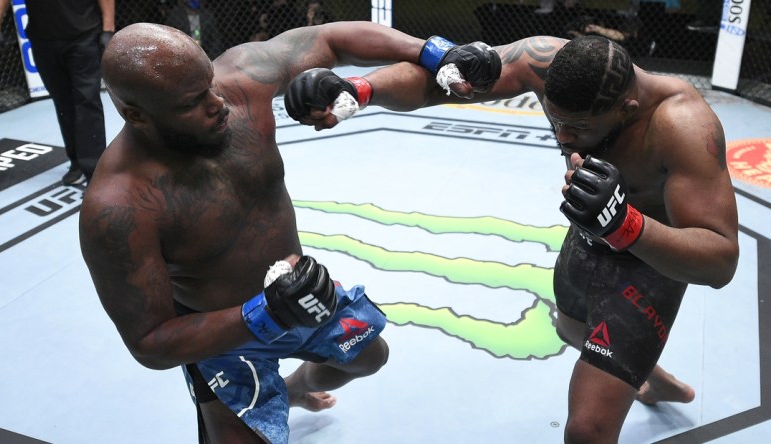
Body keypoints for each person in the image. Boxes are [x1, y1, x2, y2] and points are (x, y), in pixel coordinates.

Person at [287, 35, 739, 443]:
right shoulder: (544, 62)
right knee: (569, 327)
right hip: (588, 236)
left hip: (651, 262)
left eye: (577, 128)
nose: (562, 137)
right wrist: (361, 91)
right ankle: (650, 377)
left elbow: (720, 260)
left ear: (627, 110)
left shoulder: (681, 125)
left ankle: (634, 370)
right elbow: (438, 82)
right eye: (556, 120)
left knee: (587, 430)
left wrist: (626, 224)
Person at [79, 21, 497, 444]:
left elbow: (330, 39)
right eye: (193, 102)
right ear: (136, 115)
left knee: (370, 355)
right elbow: (149, 343)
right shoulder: (119, 205)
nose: (217, 102)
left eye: (209, 83)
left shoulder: (239, 82)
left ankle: (295, 390)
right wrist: (267, 313)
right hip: (217, 331)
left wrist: (435, 51)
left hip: (299, 290)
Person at [0, 0, 115, 186]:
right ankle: (77, 163)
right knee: (62, 101)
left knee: (86, 100)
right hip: (43, 40)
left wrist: (108, 29)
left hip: (83, 35)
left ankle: (95, 172)